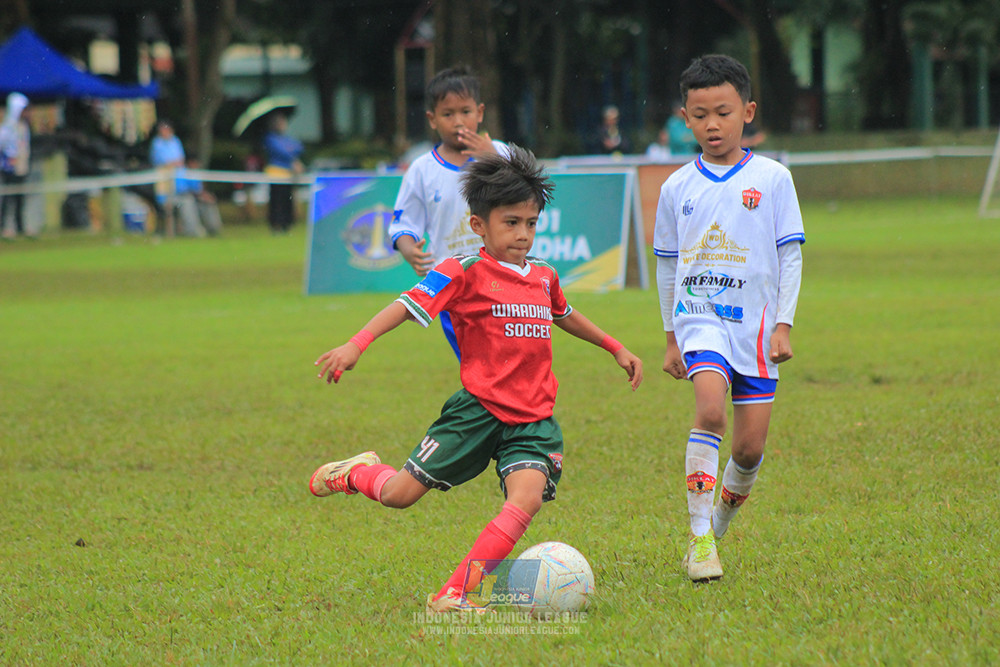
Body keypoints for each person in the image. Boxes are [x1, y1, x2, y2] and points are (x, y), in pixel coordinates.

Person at [309, 145, 644, 614]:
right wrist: (355, 344)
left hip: (533, 418)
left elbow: (564, 315)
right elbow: (406, 306)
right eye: (511, 223)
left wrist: (616, 347)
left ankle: (455, 593)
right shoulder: (462, 270)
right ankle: (358, 471)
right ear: (478, 225)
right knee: (399, 495)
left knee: (525, 501)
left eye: (531, 223)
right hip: (477, 411)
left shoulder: (543, 276)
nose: (523, 234)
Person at [653, 54, 805, 582]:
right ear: (685, 118)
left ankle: (714, 528)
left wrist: (783, 324)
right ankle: (699, 541)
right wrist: (672, 338)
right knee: (711, 413)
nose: (711, 125)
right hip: (700, 318)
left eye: (722, 111)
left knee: (748, 449)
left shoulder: (774, 178)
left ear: (748, 111)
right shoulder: (675, 189)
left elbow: (790, 255)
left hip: (758, 329)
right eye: (699, 115)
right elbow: (668, 265)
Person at [388, 65, 506, 357]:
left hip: (504, 276)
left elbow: (533, 196)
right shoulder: (422, 170)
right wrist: (408, 248)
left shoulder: (502, 155)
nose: (458, 122)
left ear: (479, 113)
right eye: (448, 114)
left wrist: (494, 162)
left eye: (465, 111)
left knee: (509, 357)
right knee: (476, 361)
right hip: (455, 285)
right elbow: (405, 221)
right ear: (432, 119)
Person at [263, 113, 304, 234]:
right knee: (277, 201)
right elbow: (279, 151)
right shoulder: (270, 138)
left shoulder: (287, 138)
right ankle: (275, 224)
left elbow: (299, 147)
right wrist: (290, 154)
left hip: (288, 174)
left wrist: (289, 151)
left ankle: (287, 224)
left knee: (287, 201)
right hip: (276, 174)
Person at [0, 92, 32, 239]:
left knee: (20, 199)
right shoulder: (7, 127)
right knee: (8, 199)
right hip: (9, 168)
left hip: (21, 167)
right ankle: (4, 228)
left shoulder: (24, 126)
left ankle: (20, 227)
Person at [149, 119, 185, 235]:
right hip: (163, 179)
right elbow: (161, 161)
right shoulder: (157, 143)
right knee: (166, 206)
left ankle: (179, 230)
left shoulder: (175, 141)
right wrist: (172, 164)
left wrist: (173, 164)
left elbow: (180, 160)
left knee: (178, 205)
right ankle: (168, 232)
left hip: (178, 179)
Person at [174, 157, 222, 237]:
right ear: (190, 163)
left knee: (209, 201)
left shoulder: (195, 174)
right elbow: (181, 190)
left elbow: (199, 189)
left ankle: (214, 227)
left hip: (195, 197)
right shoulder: (181, 173)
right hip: (182, 198)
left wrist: (205, 196)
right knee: (188, 201)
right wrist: (198, 194)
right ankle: (193, 230)